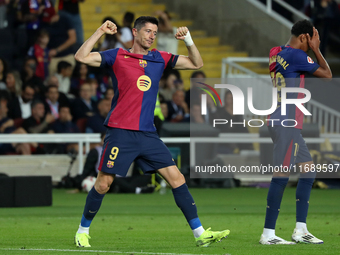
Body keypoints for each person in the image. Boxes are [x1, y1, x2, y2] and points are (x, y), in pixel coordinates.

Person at [73, 16, 229, 248]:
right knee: (103, 183)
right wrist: (100, 31)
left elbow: (196, 64)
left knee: (177, 179)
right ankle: (82, 231)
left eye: (155, 32)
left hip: (147, 134)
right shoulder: (117, 55)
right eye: (147, 31)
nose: (151, 36)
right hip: (121, 132)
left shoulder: (160, 58)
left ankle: (199, 234)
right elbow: (81, 56)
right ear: (135, 32)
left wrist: (188, 40)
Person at [259, 20, 332, 245]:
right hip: (287, 123)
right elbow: (327, 75)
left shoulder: (276, 52)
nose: (312, 44)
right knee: (281, 175)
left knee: (308, 171)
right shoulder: (297, 56)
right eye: (311, 39)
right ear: (304, 37)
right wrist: (317, 50)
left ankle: (300, 229)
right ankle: (268, 234)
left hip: (280, 120)